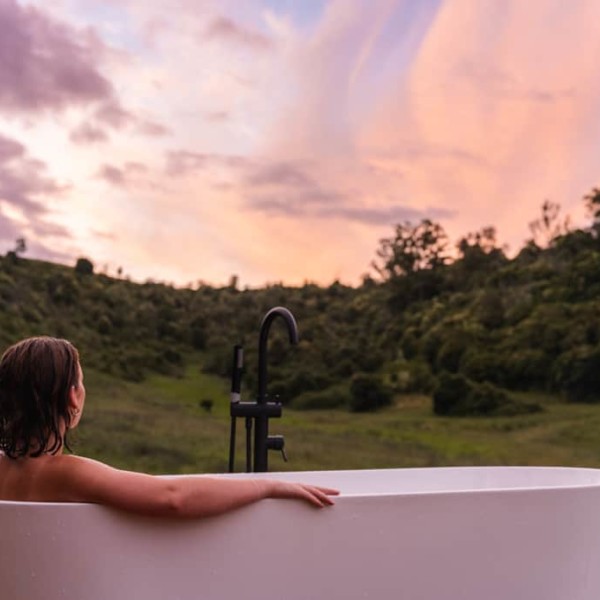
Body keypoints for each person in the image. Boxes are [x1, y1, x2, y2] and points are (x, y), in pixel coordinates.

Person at [0, 336, 338, 517]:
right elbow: (172, 498)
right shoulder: (65, 473)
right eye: (83, 383)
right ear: (73, 398)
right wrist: (266, 487)